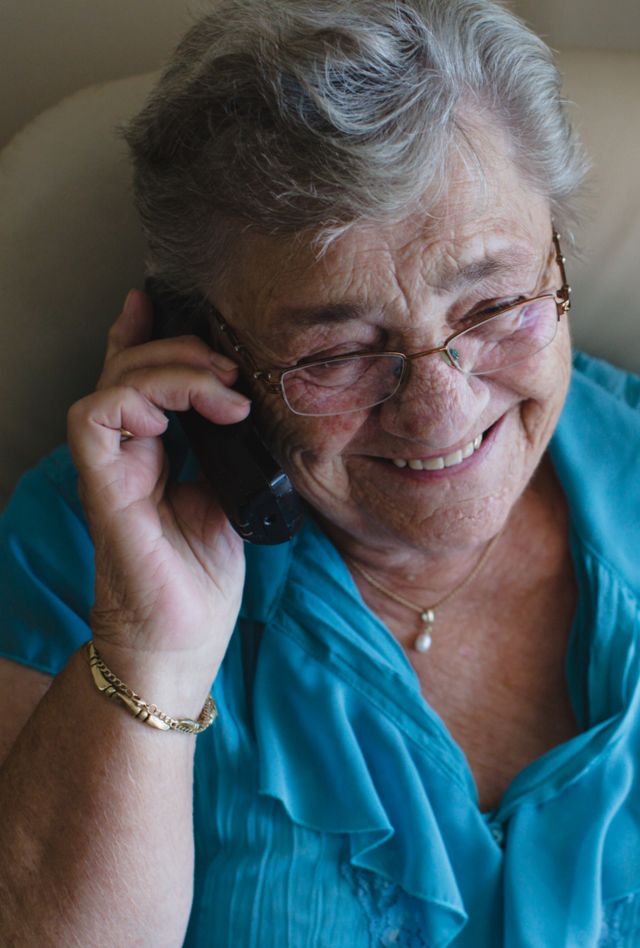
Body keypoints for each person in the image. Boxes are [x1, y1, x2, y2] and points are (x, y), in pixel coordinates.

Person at [1, 0, 639, 945]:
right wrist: (150, 652)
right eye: (337, 352)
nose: (441, 411)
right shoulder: (78, 549)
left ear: (558, 250)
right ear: (206, 344)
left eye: (496, 303)